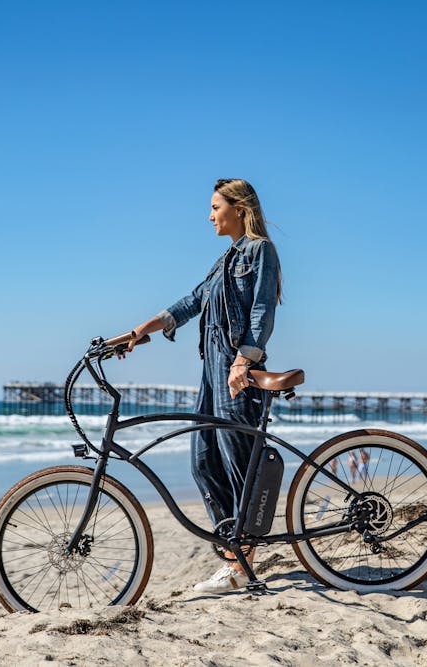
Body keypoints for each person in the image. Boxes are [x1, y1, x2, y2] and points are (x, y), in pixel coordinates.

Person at [121, 178, 281, 594]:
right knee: (203, 461)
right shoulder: (224, 260)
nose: (209, 216)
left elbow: (262, 308)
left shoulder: (258, 251)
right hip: (211, 374)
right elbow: (190, 303)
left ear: (239, 209)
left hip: (236, 372)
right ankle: (235, 555)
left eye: (215, 207)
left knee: (237, 466)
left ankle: (239, 565)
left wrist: (244, 359)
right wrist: (140, 330)